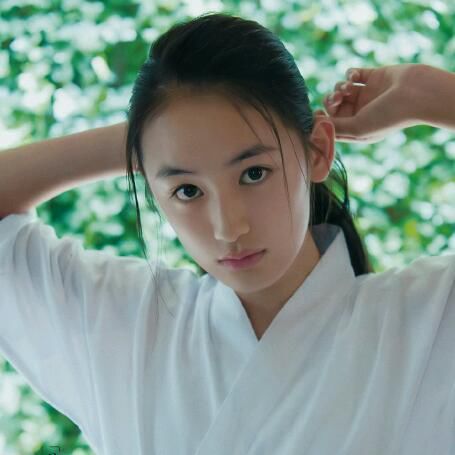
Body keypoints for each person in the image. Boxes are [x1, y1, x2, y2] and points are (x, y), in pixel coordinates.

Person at [0, 11, 454, 455]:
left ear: (318, 150)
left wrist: (428, 93)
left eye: (254, 173)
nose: (228, 227)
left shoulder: (428, 321)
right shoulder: (127, 324)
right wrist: (155, 134)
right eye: (187, 190)